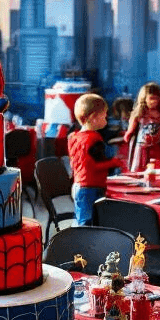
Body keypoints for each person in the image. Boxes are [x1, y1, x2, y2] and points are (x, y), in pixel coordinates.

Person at [68, 93, 123, 226]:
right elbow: (94, 165)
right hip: (91, 187)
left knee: (82, 219)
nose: (106, 119)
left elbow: (77, 163)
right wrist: (115, 162)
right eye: (104, 116)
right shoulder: (94, 138)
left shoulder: (74, 137)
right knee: (89, 222)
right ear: (93, 118)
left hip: (78, 185)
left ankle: (80, 237)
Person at [126, 83, 160, 172]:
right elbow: (131, 130)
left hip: (157, 148)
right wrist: (128, 136)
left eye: (156, 98)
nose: (154, 101)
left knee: (157, 170)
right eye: (151, 98)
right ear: (144, 98)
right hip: (142, 148)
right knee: (139, 170)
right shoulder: (139, 113)